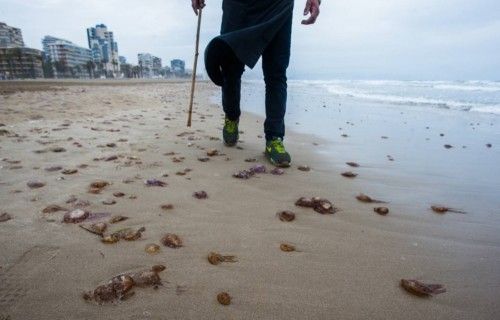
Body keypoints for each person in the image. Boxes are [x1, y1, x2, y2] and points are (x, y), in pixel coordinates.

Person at [191, 0, 321, 167]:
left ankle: (274, 138)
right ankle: (231, 117)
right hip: (237, 5)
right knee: (231, 67)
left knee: (276, 72)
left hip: (279, 4)